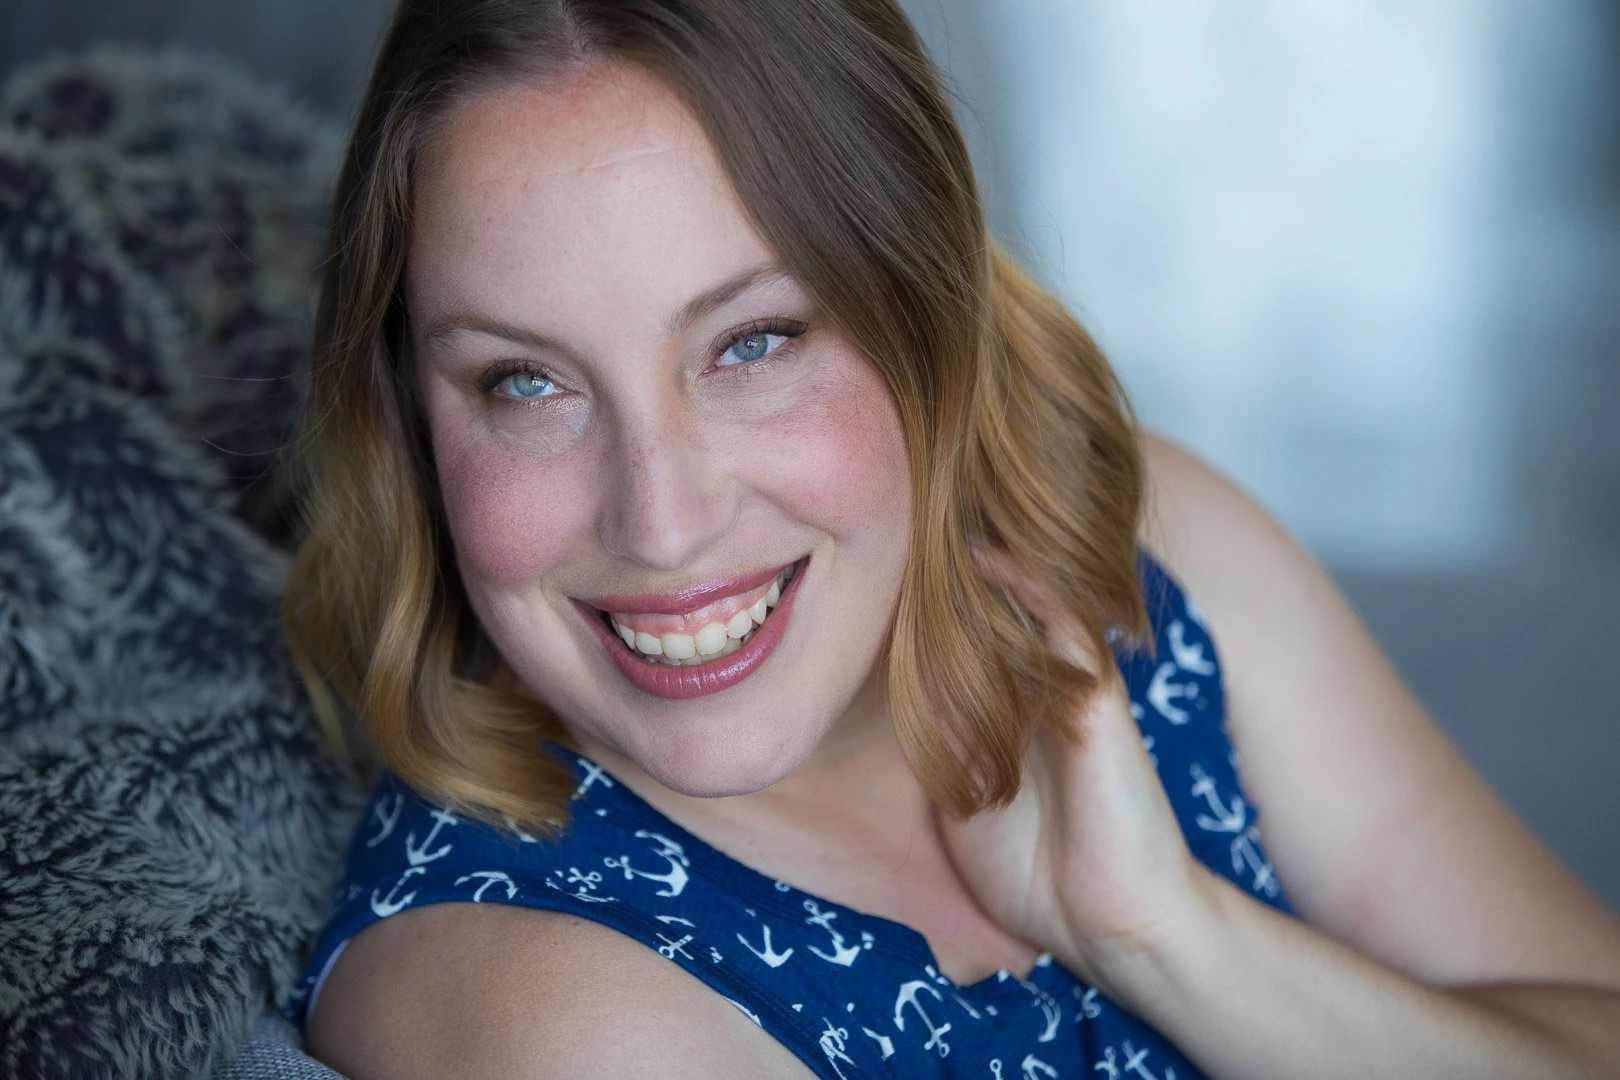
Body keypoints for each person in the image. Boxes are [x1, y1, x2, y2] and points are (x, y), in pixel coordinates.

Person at [280, 1, 1620, 1076]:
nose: (663, 520)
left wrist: (1169, 941)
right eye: (526, 382)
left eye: (754, 342)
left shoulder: (1146, 557)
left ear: (928, 319)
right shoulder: (544, 1005)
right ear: (404, 414)